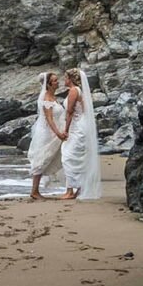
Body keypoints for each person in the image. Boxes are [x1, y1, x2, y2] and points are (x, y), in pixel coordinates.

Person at [59, 67, 102, 200]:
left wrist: (65, 130)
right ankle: (75, 188)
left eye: (66, 77)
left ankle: (71, 190)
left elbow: (70, 112)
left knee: (68, 157)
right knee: (74, 156)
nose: (64, 80)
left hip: (76, 126)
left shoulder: (73, 91)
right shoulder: (78, 91)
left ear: (70, 79)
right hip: (80, 124)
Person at [26, 72, 66, 200]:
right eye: (54, 81)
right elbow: (49, 119)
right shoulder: (46, 99)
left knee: (54, 158)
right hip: (48, 134)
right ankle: (34, 191)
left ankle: (71, 186)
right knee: (42, 159)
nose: (57, 82)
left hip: (54, 133)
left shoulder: (52, 97)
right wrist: (58, 133)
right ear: (48, 84)